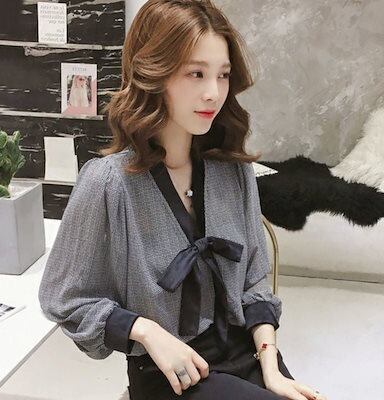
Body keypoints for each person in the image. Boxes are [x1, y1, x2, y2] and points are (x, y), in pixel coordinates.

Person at [38, 1, 327, 399]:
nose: (213, 93)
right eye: (196, 73)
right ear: (154, 73)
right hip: (172, 374)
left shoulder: (233, 172)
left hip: (245, 352)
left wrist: (271, 364)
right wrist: (146, 331)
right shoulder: (109, 183)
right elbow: (64, 298)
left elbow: (254, 278)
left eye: (222, 75)